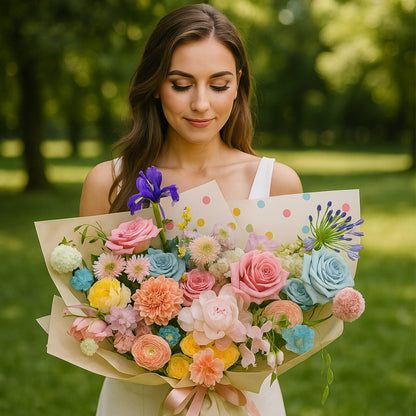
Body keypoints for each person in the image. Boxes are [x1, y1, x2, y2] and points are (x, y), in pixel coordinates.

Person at [79, 4, 302, 415]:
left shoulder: (276, 182)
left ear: (238, 85)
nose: (201, 103)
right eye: (181, 84)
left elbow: (288, 313)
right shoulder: (107, 182)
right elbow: (88, 308)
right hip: (139, 400)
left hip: (244, 400)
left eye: (218, 85)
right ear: (155, 86)